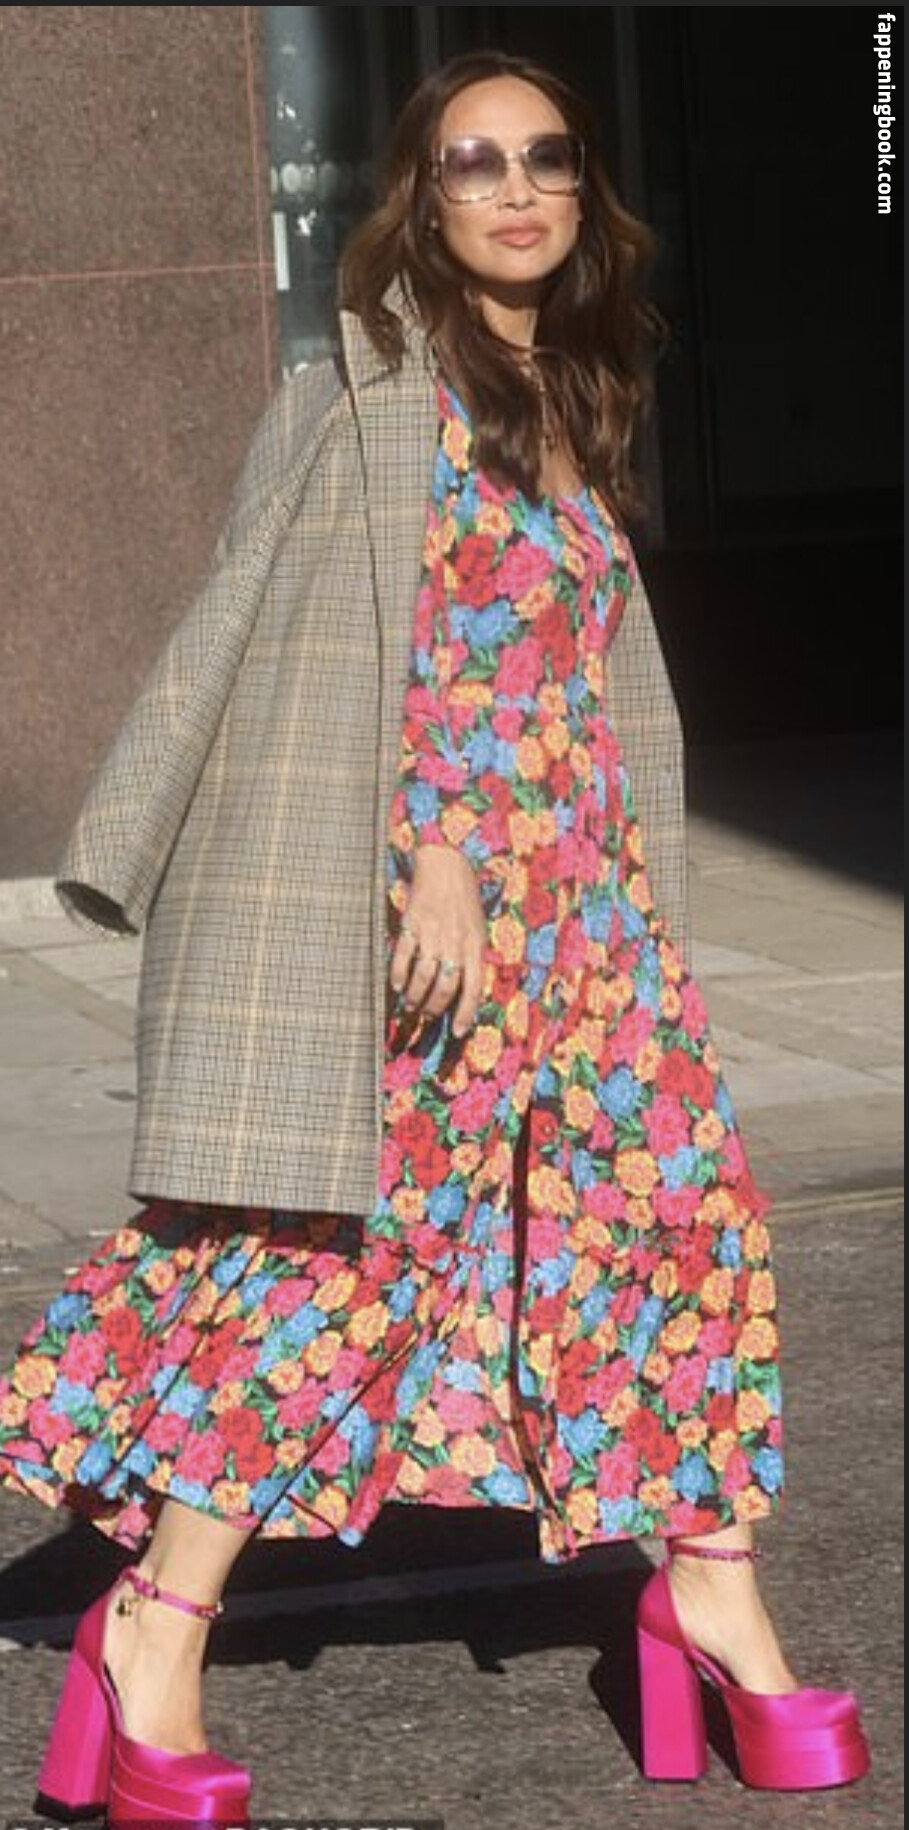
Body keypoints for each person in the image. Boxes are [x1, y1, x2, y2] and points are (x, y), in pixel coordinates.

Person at [0, 49, 869, 1827]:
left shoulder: (571, 392)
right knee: (335, 1266)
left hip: (594, 928)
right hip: (440, 932)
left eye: (545, 156)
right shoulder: (366, 398)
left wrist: (596, 886)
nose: (516, 187)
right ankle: (154, 1621)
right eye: (473, 162)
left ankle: (709, 1589)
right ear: (421, 198)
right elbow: (294, 661)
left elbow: (559, 682)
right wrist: (425, 857)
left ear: (584, 192)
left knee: (676, 1233)